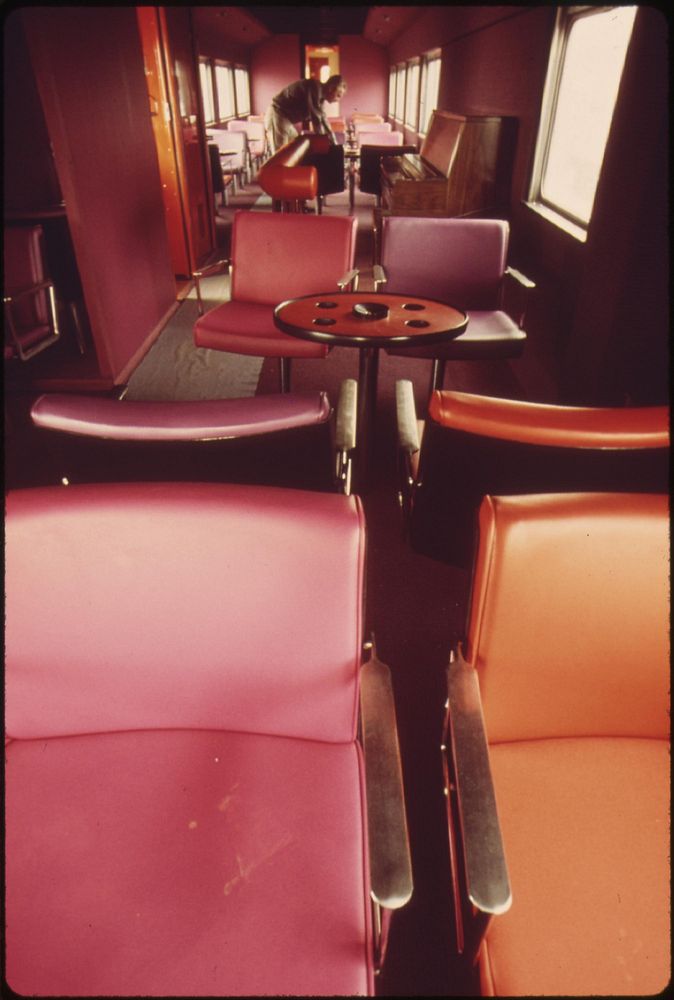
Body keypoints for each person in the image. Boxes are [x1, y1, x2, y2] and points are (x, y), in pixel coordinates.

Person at [264, 75, 347, 154]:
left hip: (285, 120)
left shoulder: (320, 99)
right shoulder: (315, 87)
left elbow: (324, 122)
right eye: (338, 95)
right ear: (331, 88)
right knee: (280, 155)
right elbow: (316, 120)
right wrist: (326, 144)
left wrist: (334, 144)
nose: (338, 100)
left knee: (295, 149)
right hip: (277, 114)